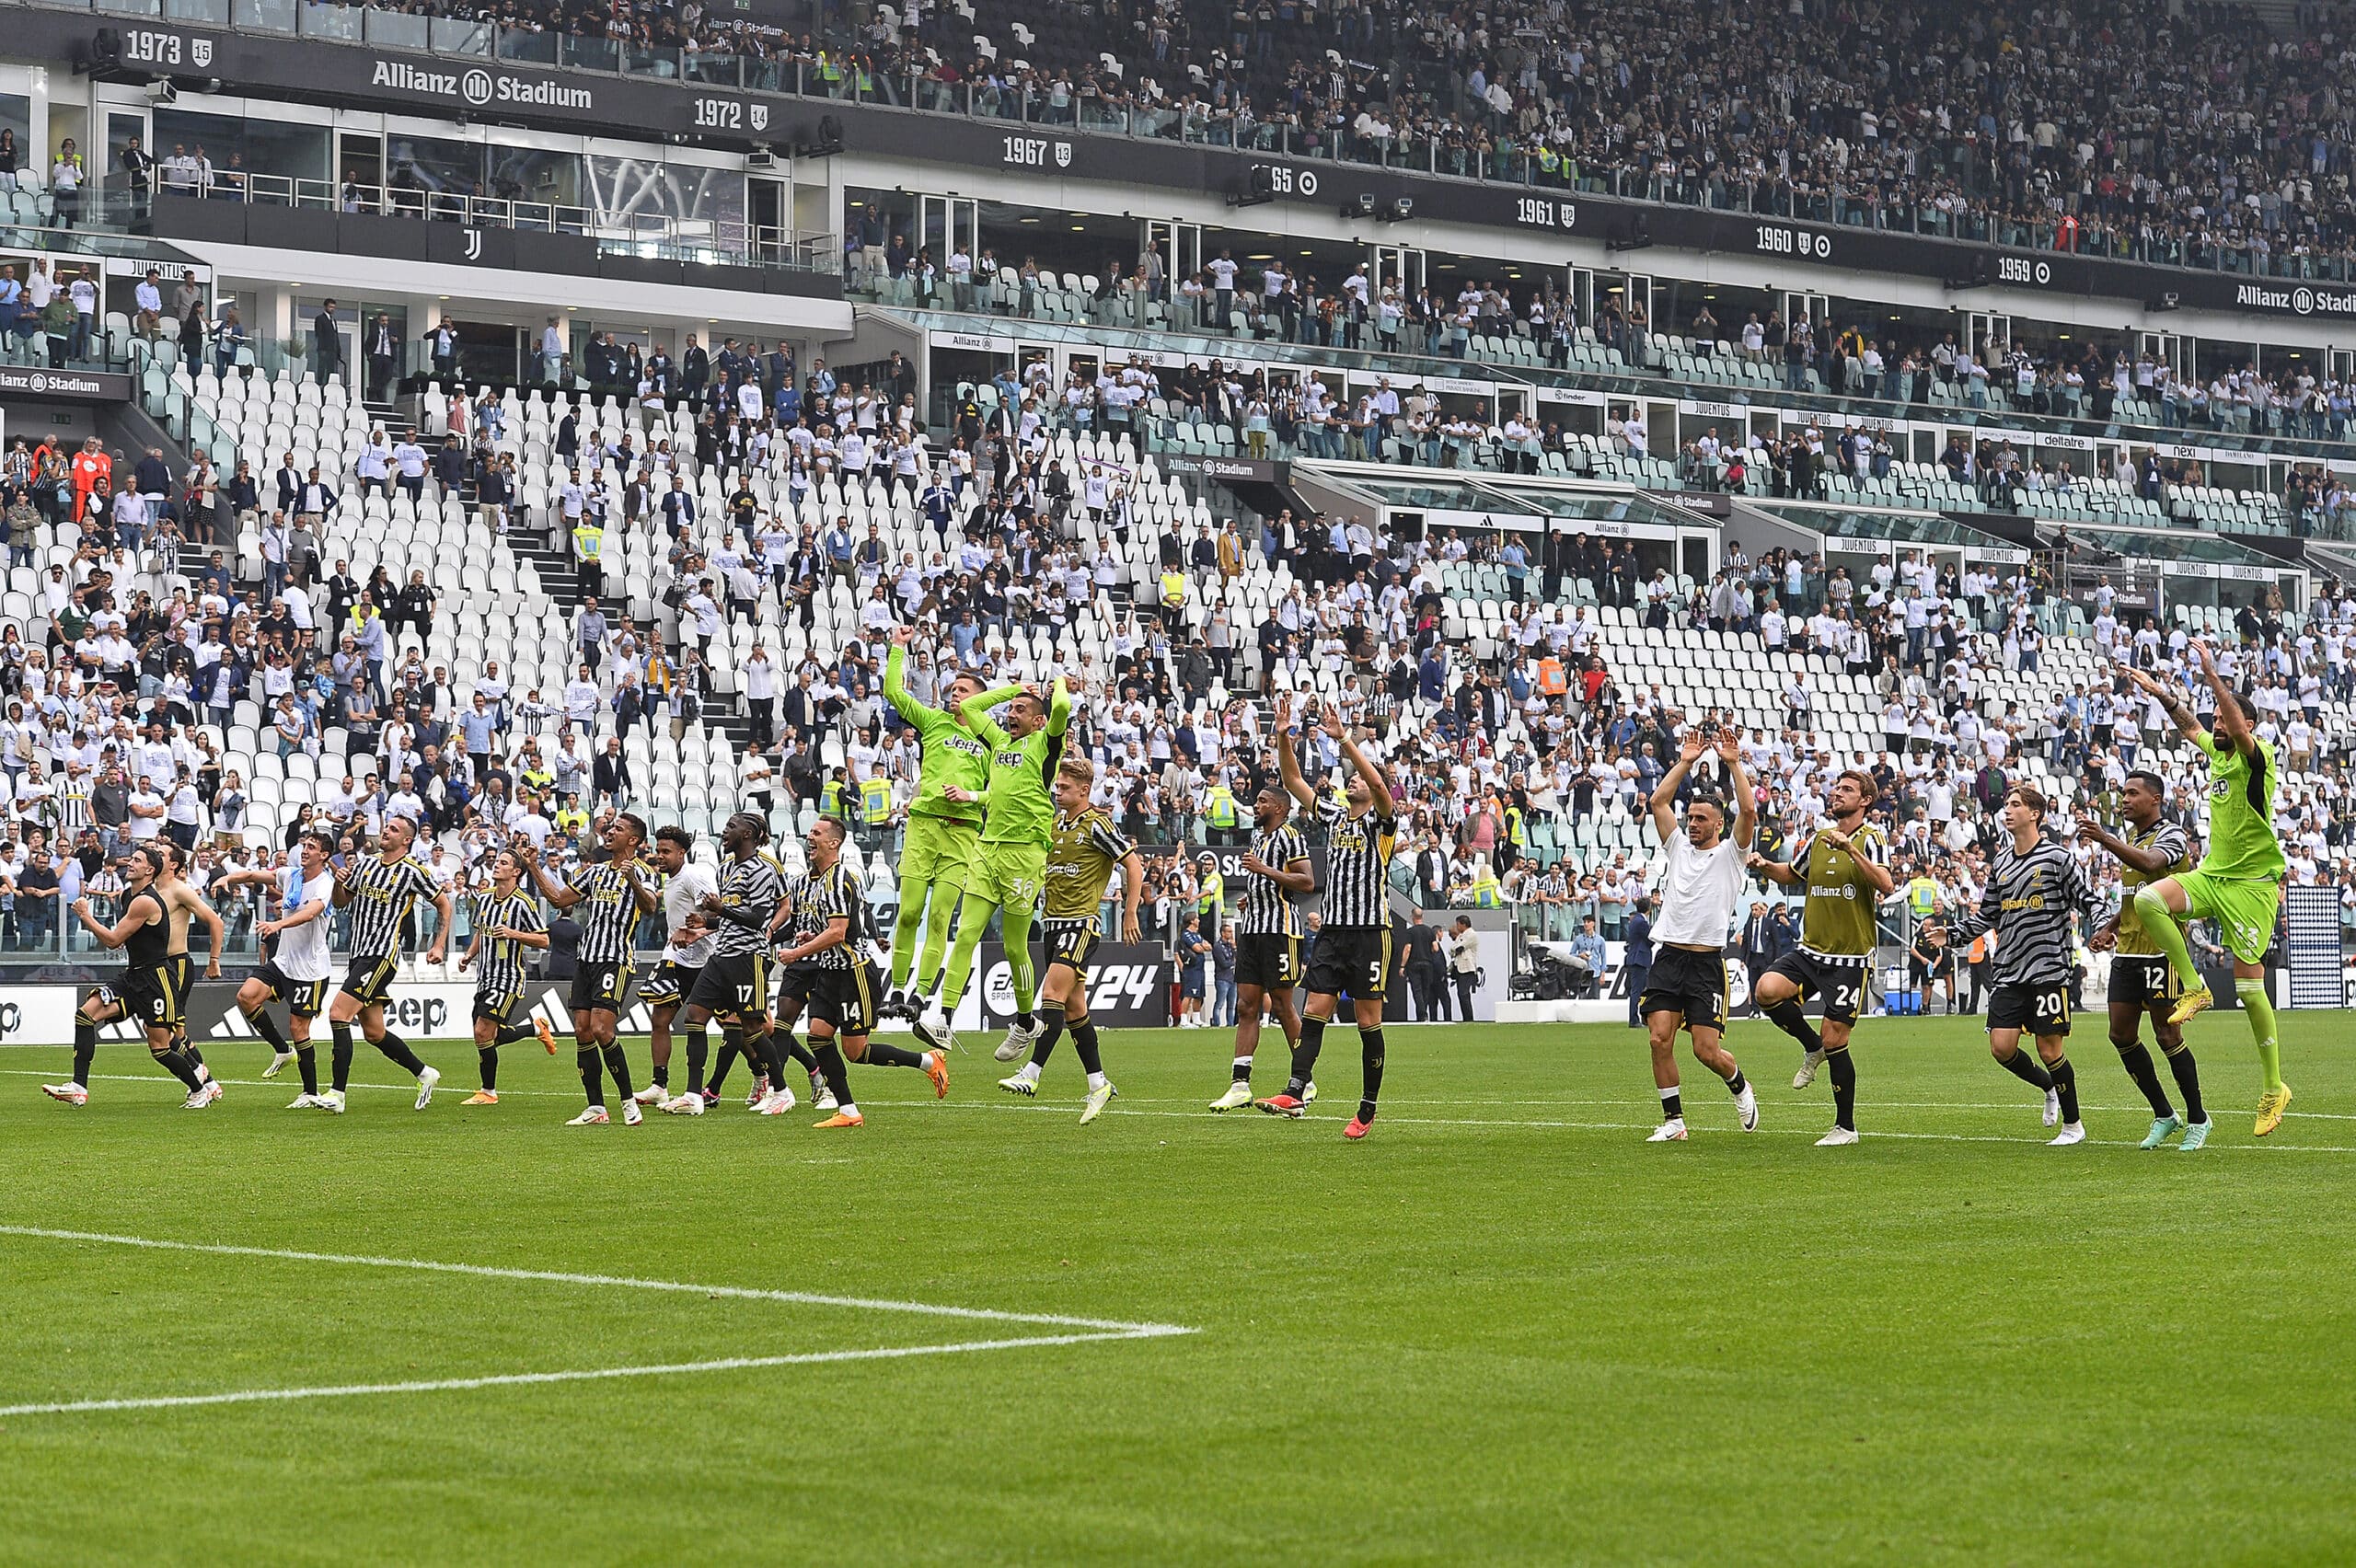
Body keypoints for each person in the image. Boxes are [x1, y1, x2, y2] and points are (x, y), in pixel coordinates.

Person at [2117, 645, 2292, 1135]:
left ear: (2247, 725)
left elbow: (2234, 727)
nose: (2216, 722)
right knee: (2152, 900)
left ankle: (2274, 1086)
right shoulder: (2217, 751)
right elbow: (2191, 726)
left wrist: (2213, 674)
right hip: (2215, 875)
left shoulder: (2259, 760)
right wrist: (2163, 697)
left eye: (2225, 715)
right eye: (2214, 715)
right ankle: (2194, 985)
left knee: (2251, 991)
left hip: (2252, 885)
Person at [1256, 695, 1398, 1140]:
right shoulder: (1335, 816)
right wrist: (1283, 736)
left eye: (1356, 777)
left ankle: (1367, 1108)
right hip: (1334, 931)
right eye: (1350, 777)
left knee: (1366, 1020)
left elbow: (1380, 788)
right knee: (1314, 1009)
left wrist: (1346, 741)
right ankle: (1296, 1089)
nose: (1352, 781)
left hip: (1371, 932)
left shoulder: (1381, 823)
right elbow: (1293, 779)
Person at [917, 676, 1070, 1060]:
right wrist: (1011, 689)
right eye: (1010, 708)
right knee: (966, 932)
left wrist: (1058, 684)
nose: (1010, 713)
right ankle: (945, 1020)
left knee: (1014, 946)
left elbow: (1063, 708)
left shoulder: (1045, 745)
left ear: (1038, 721)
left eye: (1020, 710)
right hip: (987, 849)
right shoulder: (999, 743)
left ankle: (1024, 1021)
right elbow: (970, 708)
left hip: (1025, 854)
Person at [1744, 767, 1892, 1144]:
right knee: (1766, 990)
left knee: (1836, 1038)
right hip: (1811, 949)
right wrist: (1765, 866)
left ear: (1865, 800)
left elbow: (1886, 884)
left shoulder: (1873, 838)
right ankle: (1811, 1047)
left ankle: (1846, 1127)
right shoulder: (1820, 838)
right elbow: (1792, 874)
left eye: (1847, 789)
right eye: (1836, 788)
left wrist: (1851, 850)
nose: (1837, 793)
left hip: (1850, 957)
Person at [1946, 784, 2095, 1146]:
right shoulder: (2001, 862)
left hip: (2048, 969)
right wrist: (1952, 935)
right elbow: (1989, 915)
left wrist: (2104, 928)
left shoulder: (2058, 858)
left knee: (2049, 1049)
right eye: (2007, 805)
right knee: (2002, 1048)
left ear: (2034, 814)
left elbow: (2087, 900)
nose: (2007, 810)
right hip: (2009, 968)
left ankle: (2073, 1125)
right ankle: (2049, 1088)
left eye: (2015, 805)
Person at [780, 816, 949, 1129]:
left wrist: (796, 952)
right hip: (828, 972)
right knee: (817, 1037)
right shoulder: (805, 883)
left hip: (854, 974)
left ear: (834, 843)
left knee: (855, 1052)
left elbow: (838, 933)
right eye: (810, 832)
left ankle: (928, 1061)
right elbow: (823, 928)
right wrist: (806, 937)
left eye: (817, 833)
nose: (810, 837)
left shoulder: (842, 878)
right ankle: (848, 1110)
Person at [999, 755, 1141, 1123]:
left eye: (1064, 788)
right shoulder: (1056, 824)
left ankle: (1031, 1074)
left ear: (1083, 790)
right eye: (1056, 786)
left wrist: (1129, 912)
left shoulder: (1097, 825)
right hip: (1052, 924)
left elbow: (1133, 864)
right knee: (1075, 1010)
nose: (1057, 792)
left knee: (1051, 996)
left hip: (1080, 924)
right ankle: (1098, 1084)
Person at [2078, 772, 2212, 1149]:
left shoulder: (2170, 835)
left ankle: (2199, 1119)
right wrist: (2109, 927)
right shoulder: (2132, 840)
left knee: (2167, 1034)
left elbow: (2153, 865)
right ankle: (2164, 1114)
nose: (2125, 799)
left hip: (2162, 953)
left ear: (2155, 799)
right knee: (2120, 1034)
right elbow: (2136, 895)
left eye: (2133, 794)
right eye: (2123, 793)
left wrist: (2106, 839)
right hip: (2129, 951)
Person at [1637, 727, 1758, 1142]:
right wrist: (1686, 761)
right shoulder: (1677, 847)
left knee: (1706, 1052)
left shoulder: (1731, 854)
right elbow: (1657, 801)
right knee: (1658, 1040)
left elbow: (1750, 813)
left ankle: (1739, 1084)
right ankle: (1674, 1122)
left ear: (1718, 824)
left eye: (1701, 818)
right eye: (1690, 817)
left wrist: (1733, 763)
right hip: (1669, 957)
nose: (1692, 823)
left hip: (1707, 963)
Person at [44, 846, 215, 1107]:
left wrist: (85, 916)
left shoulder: (146, 900)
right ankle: (78, 1087)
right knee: (85, 1014)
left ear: (149, 870)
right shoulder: (128, 895)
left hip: (156, 980)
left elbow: (113, 940)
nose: (130, 863)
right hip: (133, 976)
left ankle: (199, 1089)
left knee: (160, 1047)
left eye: (137, 860)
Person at [517, 813, 658, 1127]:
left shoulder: (645, 872)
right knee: (582, 1030)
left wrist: (632, 878)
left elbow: (649, 907)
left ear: (633, 840)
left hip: (616, 959)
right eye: (610, 828)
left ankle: (627, 1100)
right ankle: (596, 1107)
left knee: (601, 1029)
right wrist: (533, 866)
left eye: (618, 829)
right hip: (587, 959)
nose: (610, 832)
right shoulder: (594, 873)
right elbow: (557, 897)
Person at [880, 628, 991, 1020]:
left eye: (963, 690)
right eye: (954, 688)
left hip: (962, 834)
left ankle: (921, 995)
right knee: (909, 913)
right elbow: (894, 692)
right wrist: (897, 648)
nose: (954, 693)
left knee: (941, 916)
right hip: (924, 826)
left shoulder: (992, 740)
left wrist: (973, 797)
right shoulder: (935, 723)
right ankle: (895, 988)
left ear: (980, 699)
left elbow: (1006, 791)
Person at [323, 814, 449, 1114]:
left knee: (338, 1013)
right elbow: (341, 901)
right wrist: (338, 884)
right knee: (374, 1032)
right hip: (358, 955)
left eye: (393, 829)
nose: (386, 831)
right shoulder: (366, 864)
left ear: (407, 840)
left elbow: (444, 903)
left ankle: (337, 1093)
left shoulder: (412, 872)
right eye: (386, 827)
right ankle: (424, 1073)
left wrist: (439, 943)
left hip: (381, 956)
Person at [679, 812, 799, 1116]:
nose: (725, 831)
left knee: (751, 1029)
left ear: (748, 834)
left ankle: (782, 1090)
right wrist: (704, 921)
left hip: (749, 957)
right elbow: (730, 917)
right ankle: (693, 1096)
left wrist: (719, 909)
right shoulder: (726, 868)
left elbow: (757, 918)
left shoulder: (762, 870)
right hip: (721, 956)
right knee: (694, 1015)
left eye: (732, 827)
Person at [1212, 785, 1315, 1110]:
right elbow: (1269, 882)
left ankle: (1305, 1080)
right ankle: (1240, 1083)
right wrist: (1252, 895)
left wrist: (1264, 871)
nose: (1256, 806)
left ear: (1280, 809)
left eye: (1262, 801)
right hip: (1253, 929)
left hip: (1279, 931)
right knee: (1245, 1006)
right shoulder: (1259, 839)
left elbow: (1306, 881)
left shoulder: (1290, 835)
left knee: (1283, 1007)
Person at [217, 834, 339, 1102]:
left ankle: (310, 1092)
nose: (304, 850)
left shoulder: (325, 884)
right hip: (283, 961)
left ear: (324, 856)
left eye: (312, 848)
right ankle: (282, 1051)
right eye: (304, 845)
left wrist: (277, 925)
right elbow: (255, 874)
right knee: (246, 997)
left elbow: (312, 912)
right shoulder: (291, 874)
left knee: (299, 1028)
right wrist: (229, 878)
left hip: (310, 969)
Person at [456, 848, 555, 1105]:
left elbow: (544, 939)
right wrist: (469, 955)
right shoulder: (485, 899)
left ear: (516, 872)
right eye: (496, 861)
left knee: (482, 1032)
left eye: (503, 863)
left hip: (508, 979)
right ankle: (536, 1028)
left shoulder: (523, 903)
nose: (496, 866)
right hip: (485, 978)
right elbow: (481, 932)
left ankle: (488, 1092)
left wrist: (513, 933)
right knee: (490, 1036)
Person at [637, 824, 718, 1111]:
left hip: (707, 960)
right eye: (658, 850)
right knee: (660, 1019)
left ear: (682, 853)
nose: (660, 856)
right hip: (677, 959)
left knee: (737, 1026)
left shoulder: (693, 876)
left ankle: (766, 1079)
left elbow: (713, 909)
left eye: (666, 852)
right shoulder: (669, 878)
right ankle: (660, 1085)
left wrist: (690, 930)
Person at [1447, 916, 1481, 1020]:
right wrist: (1455, 950)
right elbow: (1451, 950)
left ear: (1463, 924)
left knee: (1464, 994)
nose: (1457, 927)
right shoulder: (1461, 935)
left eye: (1458, 924)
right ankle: (1466, 1017)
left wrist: (1456, 949)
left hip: (1467, 969)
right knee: (1461, 994)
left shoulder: (1471, 935)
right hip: (1459, 969)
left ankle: (1469, 1018)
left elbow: (1459, 947)